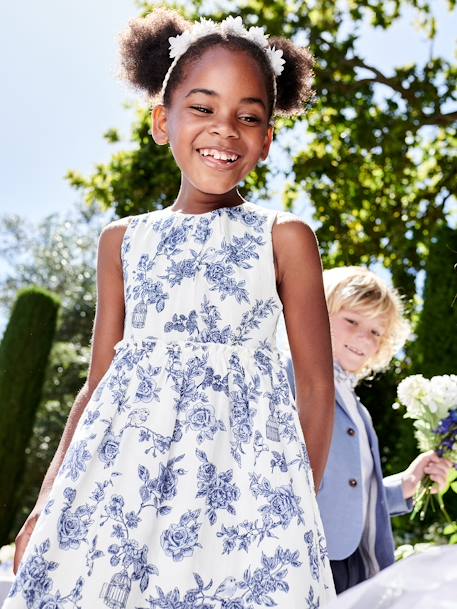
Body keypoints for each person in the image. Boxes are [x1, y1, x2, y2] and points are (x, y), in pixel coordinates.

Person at [6, 9, 337, 608]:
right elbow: (96, 384)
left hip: (242, 501)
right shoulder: (122, 240)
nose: (225, 130)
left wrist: (295, 511)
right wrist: (42, 508)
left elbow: (315, 388)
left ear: (267, 138)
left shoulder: (284, 238)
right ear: (163, 121)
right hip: (117, 489)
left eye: (248, 116)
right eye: (203, 108)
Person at [287, 266, 452, 594]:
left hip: (355, 564)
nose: (365, 338)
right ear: (317, 312)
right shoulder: (293, 375)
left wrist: (408, 482)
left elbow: (353, 494)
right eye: (352, 321)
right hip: (303, 557)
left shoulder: (357, 408)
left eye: (377, 332)